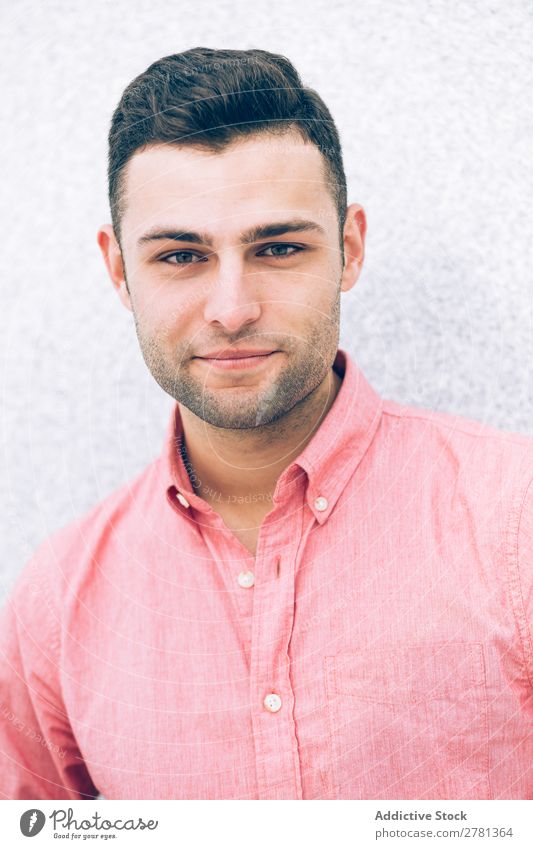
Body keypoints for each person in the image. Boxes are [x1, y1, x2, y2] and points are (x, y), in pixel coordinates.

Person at [0, 46, 532, 802]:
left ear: (347, 248)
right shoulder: (55, 604)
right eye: (181, 255)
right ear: (118, 270)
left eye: (278, 247)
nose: (231, 307)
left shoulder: (514, 521)